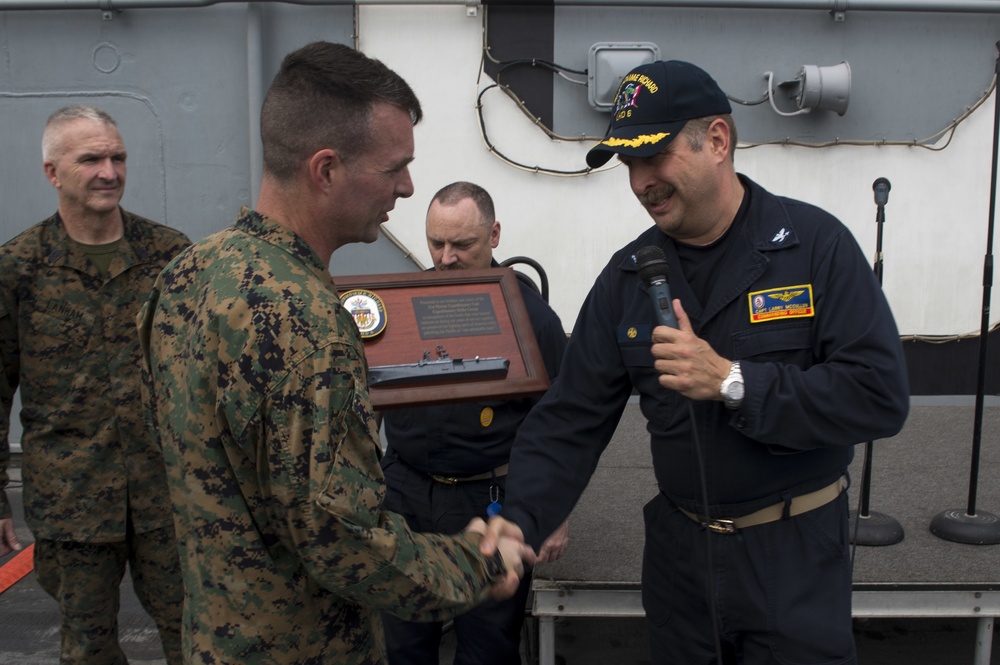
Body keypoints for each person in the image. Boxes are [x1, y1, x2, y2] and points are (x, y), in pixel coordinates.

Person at [485, 60, 910, 664]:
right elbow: (569, 419)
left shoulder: (815, 247)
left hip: (792, 557)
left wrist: (736, 382)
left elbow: (879, 395)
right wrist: (520, 519)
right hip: (681, 561)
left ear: (717, 140)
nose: (640, 182)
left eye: (653, 156)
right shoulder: (628, 278)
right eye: (629, 164)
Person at [138, 42, 533, 664]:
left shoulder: (186, 275)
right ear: (326, 169)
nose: (406, 187)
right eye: (393, 167)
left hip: (215, 638)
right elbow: (338, 538)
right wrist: (475, 565)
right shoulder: (308, 319)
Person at [0, 105, 190, 664]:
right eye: (91, 159)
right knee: (88, 649)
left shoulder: (170, 255)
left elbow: (201, 372)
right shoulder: (18, 269)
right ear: (52, 172)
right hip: (73, 503)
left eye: (118, 157)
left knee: (197, 636)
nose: (109, 171)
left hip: (166, 495)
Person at [380, 181, 569, 665]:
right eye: (435, 243)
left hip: (487, 502)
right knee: (404, 644)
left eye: (462, 244)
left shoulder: (533, 320)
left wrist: (554, 514)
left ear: (495, 235)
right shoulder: (398, 309)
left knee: (487, 648)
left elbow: (561, 424)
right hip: (406, 495)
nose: (445, 258)